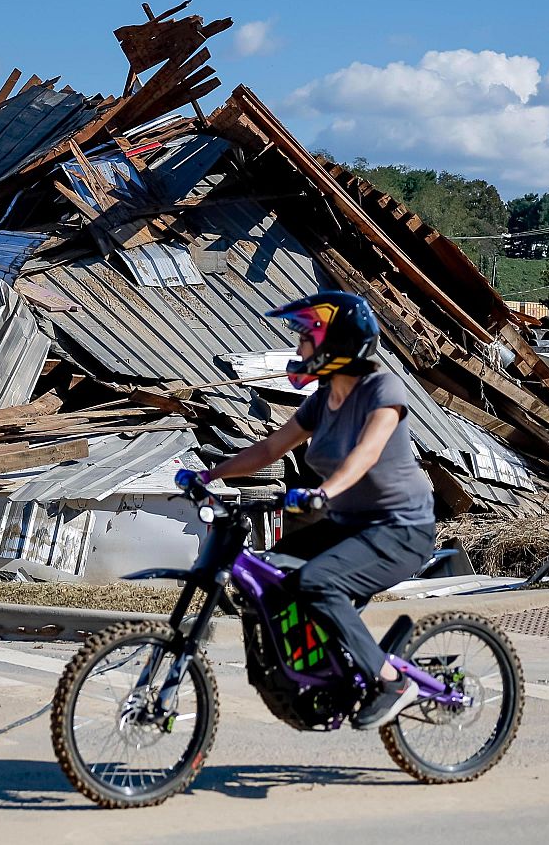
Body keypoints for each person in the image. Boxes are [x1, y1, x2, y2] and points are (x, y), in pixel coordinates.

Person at [177, 291, 436, 729]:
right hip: (346, 525)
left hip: (399, 528)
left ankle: (390, 680)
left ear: (338, 343)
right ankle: (322, 673)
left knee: (317, 583)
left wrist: (324, 492)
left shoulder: (382, 389)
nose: (299, 350)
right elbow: (271, 448)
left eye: (307, 340)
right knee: (272, 575)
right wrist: (209, 474)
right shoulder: (321, 401)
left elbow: (366, 454)